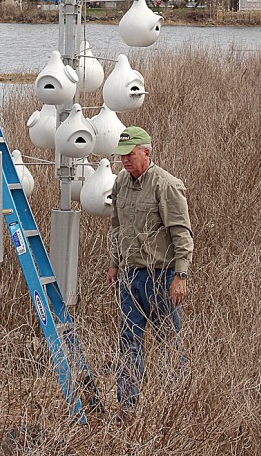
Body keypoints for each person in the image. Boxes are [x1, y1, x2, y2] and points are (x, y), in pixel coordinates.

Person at [106, 125, 193, 412]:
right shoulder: (120, 182)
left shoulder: (166, 185)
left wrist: (180, 276)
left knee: (169, 342)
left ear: (146, 152)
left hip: (161, 277)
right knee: (128, 340)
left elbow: (182, 234)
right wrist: (114, 264)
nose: (124, 161)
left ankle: (176, 406)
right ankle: (127, 407)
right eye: (121, 156)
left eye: (129, 155)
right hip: (130, 275)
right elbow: (117, 227)